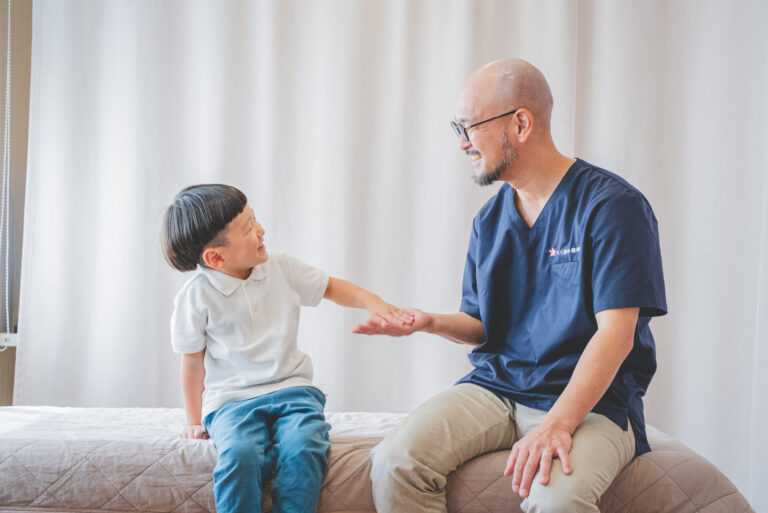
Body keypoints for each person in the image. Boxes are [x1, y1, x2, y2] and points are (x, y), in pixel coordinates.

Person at [355, 59, 667, 513]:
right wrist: (429, 322)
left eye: (469, 126)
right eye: (457, 128)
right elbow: (482, 324)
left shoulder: (612, 207)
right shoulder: (490, 220)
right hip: (499, 387)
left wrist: (558, 423)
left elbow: (616, 336)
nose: (462, 142)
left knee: (556, 502)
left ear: (521, 123)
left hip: (593, 402)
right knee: (393, 462)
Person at [161, 184, 413, 513]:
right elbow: (192, 362)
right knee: (240, 454)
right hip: (231, 402)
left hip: (293, 391)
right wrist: (194, 421)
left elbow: (331, 287)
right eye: (248, 228)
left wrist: (373, 302)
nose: (261, 229)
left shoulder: (281, 267)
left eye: (255, 218)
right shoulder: (195, 295)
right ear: (217, 258)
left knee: (304, 446)